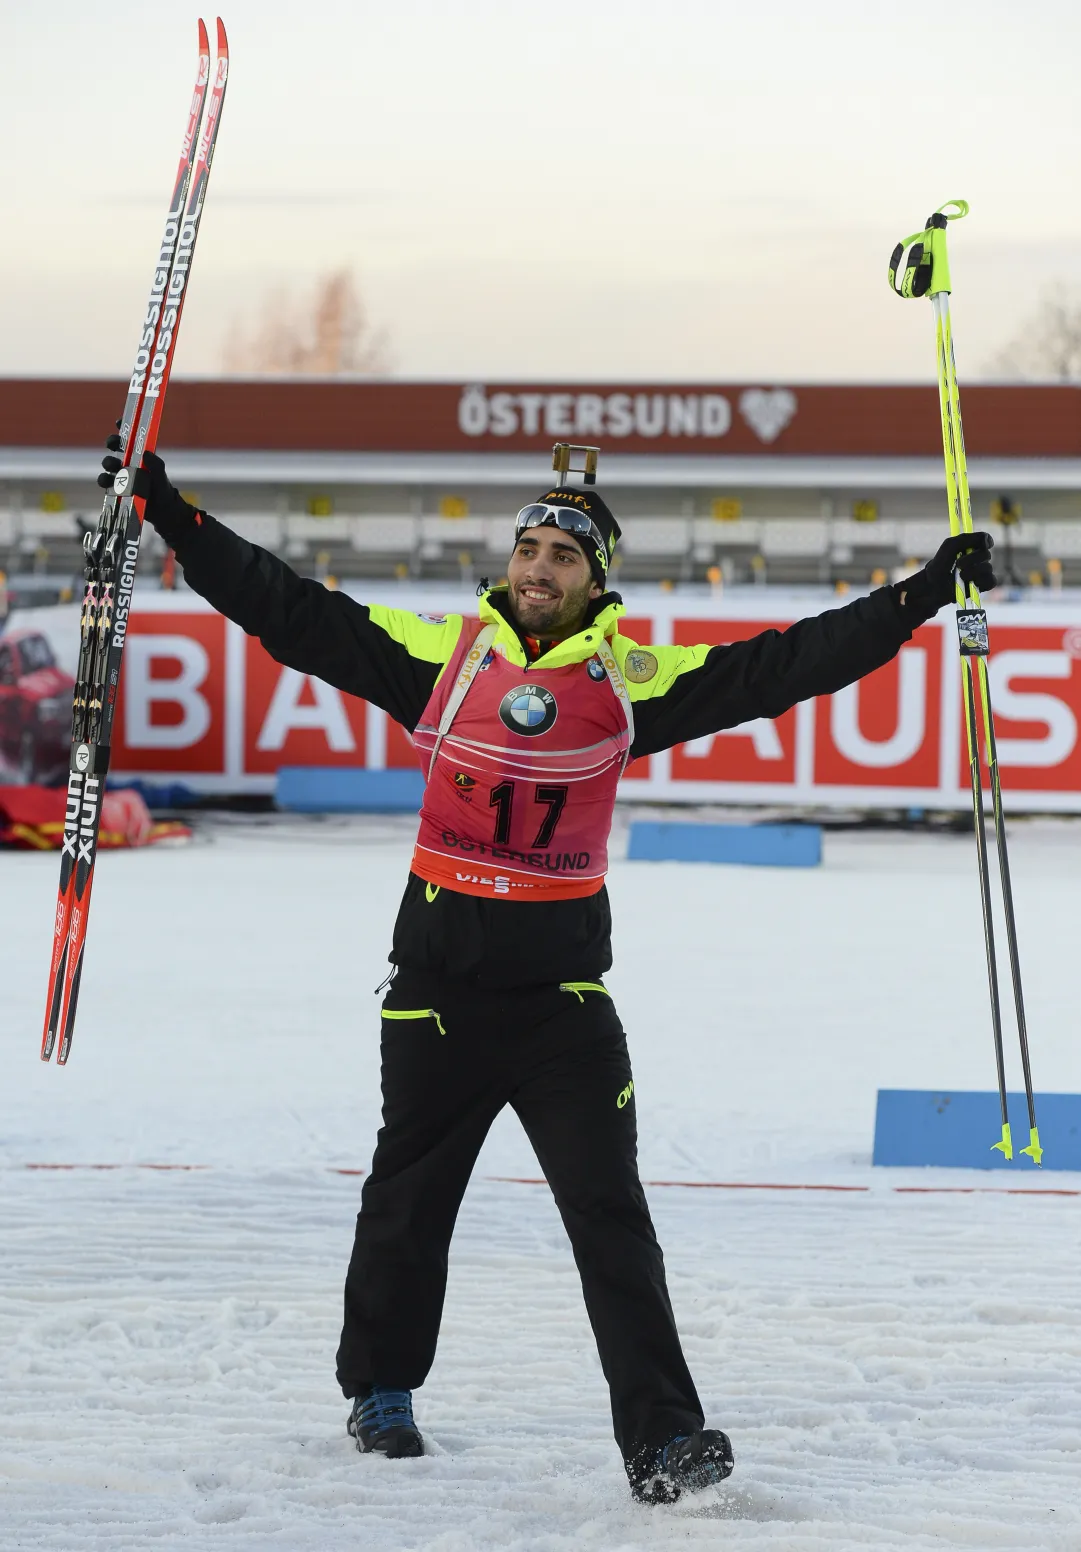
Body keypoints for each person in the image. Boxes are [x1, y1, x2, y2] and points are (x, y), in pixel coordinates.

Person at [100, 439, 996, 1504]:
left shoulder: (628, 683)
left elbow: (782, 665)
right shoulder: (443, 656)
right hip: (436, 990)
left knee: (610, 1214)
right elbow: (287, 610)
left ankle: (663, 1443)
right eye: (528, 547)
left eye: (563, 554)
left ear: (594, 580)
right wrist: (170, 514)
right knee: (407, 1199)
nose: (539, 565)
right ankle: (380, 1386)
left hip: (564, 1006)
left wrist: (921, 594)